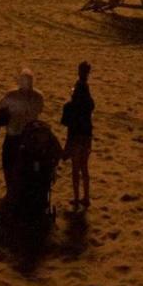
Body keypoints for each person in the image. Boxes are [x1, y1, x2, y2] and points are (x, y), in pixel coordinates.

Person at [0, 69, 44, 193]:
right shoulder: (38, 96)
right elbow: (39, 110)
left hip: (14, 133)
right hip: (30, 134)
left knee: (8, 162)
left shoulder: (11, 95)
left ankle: (11, 189)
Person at [61, 61, 94, 209]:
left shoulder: (71, 106)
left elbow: (66, 123)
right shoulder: (88, 100)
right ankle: (86, 197)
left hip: (75, 136)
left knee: (75, 168)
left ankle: (76, 197)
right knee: (84, 167)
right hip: (86, 134)